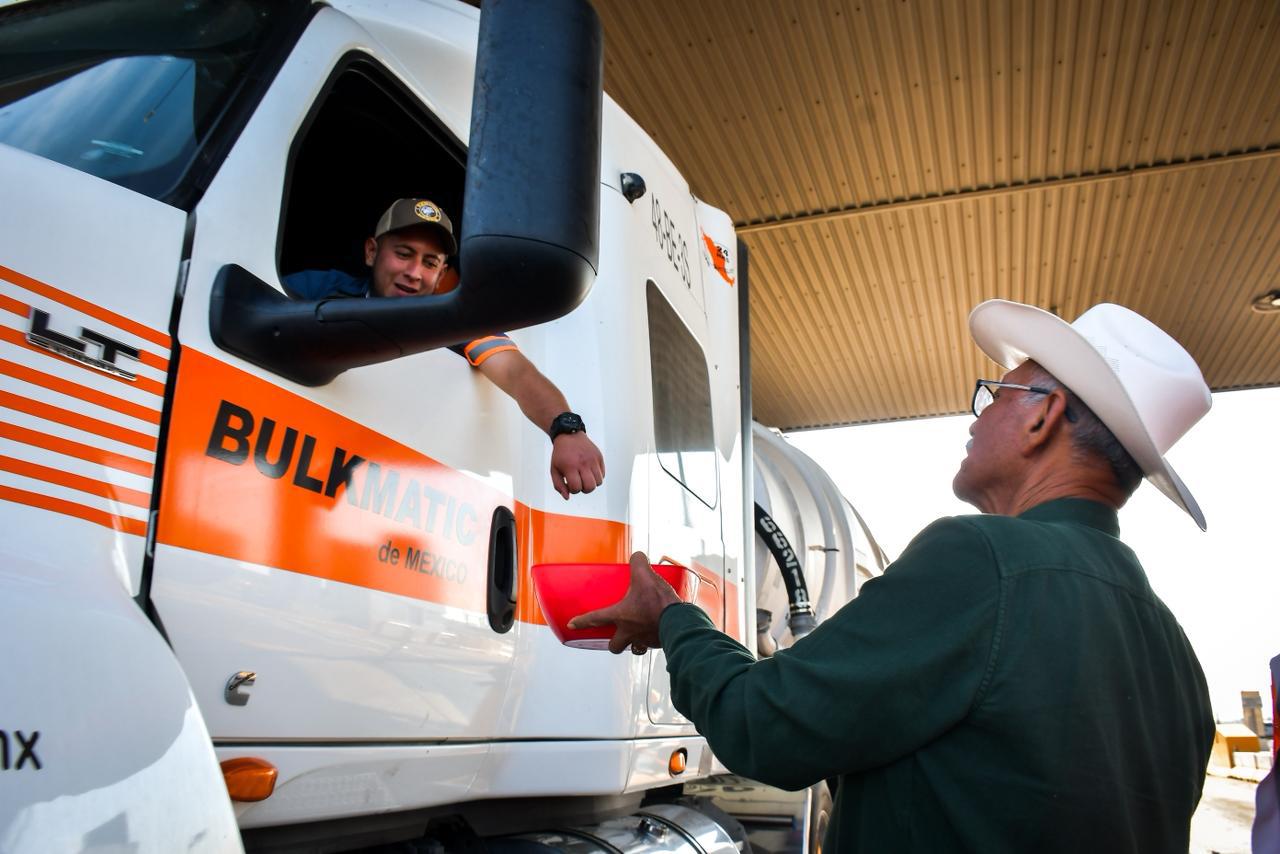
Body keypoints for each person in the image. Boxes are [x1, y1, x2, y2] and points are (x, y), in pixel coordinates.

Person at [571, 300, 1216, 852]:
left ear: (1043, 417)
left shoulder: (982, 559)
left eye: (994, 395)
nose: (976, 417)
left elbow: (762, 724)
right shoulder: (1177, 654)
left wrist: (674, 620)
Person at [285, 198, 604, 500]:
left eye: (430, 263)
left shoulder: (455, 322)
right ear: (371, 252)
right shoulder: (319, 288)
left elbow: (515, 372)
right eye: (404, 254)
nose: (414, 273)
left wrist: (566, 430)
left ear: (441, 274)